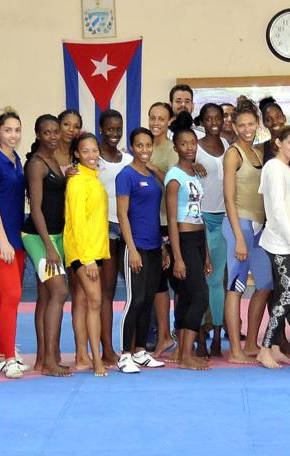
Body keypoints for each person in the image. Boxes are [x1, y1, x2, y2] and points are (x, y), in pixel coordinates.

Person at [114, 127, 168, 373]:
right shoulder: (126, 176)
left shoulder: (152, 174)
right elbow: (122, 215)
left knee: (147, 301)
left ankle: (140, 351)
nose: (145, 150)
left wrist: (163, 247)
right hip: (136, 247)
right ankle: (124, 353)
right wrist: (132, 249)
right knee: (134, 300)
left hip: (155, 245)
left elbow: (163, 190)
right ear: (131, 147)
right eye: (140, 146)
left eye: (148, 145)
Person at [23, 114, 72, 377]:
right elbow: (37, 209)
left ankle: (43, 358)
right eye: (47, 132)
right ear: (38, 135)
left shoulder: (54, 160)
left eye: (55, 132)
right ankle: (51, 359)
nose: (52, 136)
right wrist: (49, 248)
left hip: (56, 235)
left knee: (45, 297)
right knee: (59, 292)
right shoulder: (36, 164)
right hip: (38, 237)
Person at [222, 96, 270, 363]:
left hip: (259, 226)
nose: (247, 129)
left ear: (257, 124)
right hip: (239, 224)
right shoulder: (233, 154)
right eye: (242, 125)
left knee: (265, 284)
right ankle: (236, 351)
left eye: (251, 123)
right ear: (235, 126)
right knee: (236, 285)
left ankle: (251, 342)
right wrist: (239, 237)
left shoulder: (257, 152)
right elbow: (229, 198)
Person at [256, 125, 290, 369]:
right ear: (278, 142)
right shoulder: (273, 168)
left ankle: (274, 347)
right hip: (278, 242)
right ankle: (264, 348)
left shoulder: (286, 169)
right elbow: (276, 209)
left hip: (288, 241)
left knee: (282, 294)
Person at [0, 108, 28, 377]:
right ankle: (9, 358)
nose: (13, 135)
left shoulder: (16, 160)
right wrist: (2, 241)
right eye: (8, 130)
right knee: (12, 296)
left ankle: (1, 353)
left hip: (16, 240)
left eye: (17, 130)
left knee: (8, 300)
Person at [165, 112, 211, 371]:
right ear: (176, 147)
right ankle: (185, 356)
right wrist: (178, 256)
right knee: (200, 295)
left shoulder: (194, 173)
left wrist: (204, 253)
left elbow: (199, 214)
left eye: (193, 143)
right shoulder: (174, 177)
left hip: (196, 237)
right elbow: (172, 219)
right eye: (184, 144)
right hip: (181, 238)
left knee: (186, 295)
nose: (190, 148)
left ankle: (183, 351)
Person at [64, 133, 112, 376]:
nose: (92, 155)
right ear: (76, 154)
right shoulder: (77, 181)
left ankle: (82, 356)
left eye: (95, 150)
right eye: (86, 151)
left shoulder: (94, 179)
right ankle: (96, 360)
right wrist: (87, 258)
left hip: (96, 249)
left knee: (84, 302)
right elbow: (77, 222)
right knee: (95, 302)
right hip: (84, 253)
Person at [194, 103, 230, 357]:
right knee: (199, 283)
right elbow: (179, 174)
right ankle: (199, 336)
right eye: (208, 118)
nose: (214, 122)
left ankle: (217, 335)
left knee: (217, 281)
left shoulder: (229, 147)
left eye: (217, 117)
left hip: (225, 219)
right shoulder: (193, 147)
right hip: (200, 219)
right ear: (202, 121)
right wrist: (192, 166)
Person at [97, 109, 131, 367]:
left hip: (127, 228)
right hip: (105, 229)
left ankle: (134, 345)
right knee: (106, 292)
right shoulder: (93, 160)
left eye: (118, 129)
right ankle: (107, 349)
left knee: (135, 290)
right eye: (110, 129)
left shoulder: (128, 160)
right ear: (101, 129)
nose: (114, 133)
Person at [146, 101, 177, 358]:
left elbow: (173, 182)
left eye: (161, 118)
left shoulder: (171, 149)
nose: (156, 122)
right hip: (147, 222)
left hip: (168, 222)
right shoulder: (143, 144)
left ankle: (171, 333)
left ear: (169, 122)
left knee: (171, 280)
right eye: (152, 118)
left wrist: (152, 168)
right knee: (155, 283)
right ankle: (160, 334)